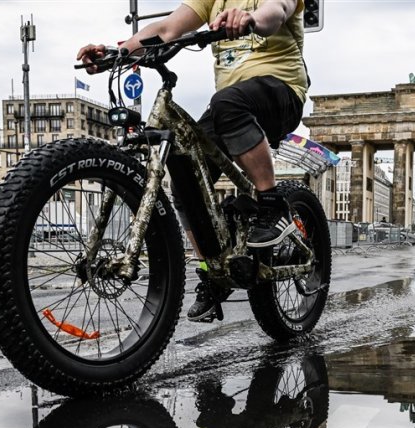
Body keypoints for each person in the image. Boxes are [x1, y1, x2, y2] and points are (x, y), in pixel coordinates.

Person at [77, 0, 309, 323]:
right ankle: (215, 271)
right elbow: (167, 29)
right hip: (231, 106)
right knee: (186, 171)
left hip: (282, 90)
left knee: (226, 104)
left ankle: (273, 208)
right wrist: (117, 53)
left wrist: (250, 19)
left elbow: (278, 12)